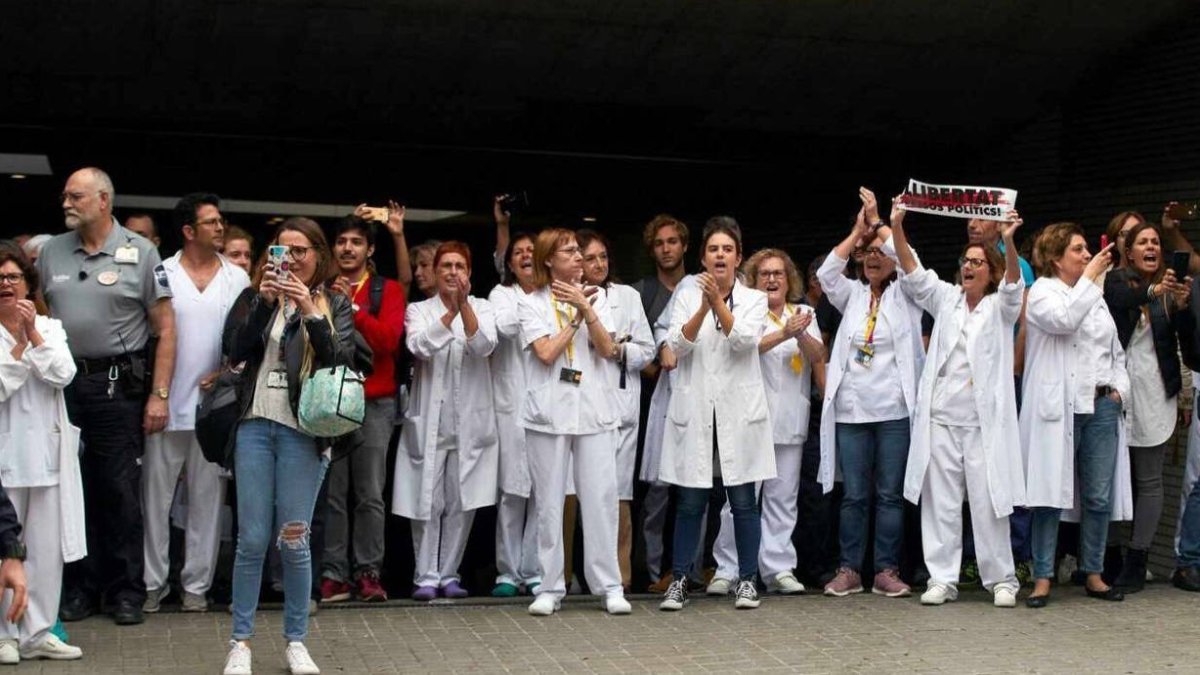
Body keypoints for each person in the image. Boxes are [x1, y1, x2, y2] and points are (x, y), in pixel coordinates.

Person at [39, 167, 176, 626]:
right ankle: (80, 588)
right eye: (64, 196)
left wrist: (159, 395)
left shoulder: (141, 253)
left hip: (117, 386)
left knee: (118, 490)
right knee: (69, 490)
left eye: (75, 196)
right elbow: (40, 313)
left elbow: (165, 329)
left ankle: (125, 591)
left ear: (103, 201)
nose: (66, 203)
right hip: (61, 385)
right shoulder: (51, 251)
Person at [221, 217, 358, 675]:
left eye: (301, 251)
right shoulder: (252, 296)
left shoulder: (334, 301)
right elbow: (235, 350)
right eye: (283, 251)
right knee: (252, 539)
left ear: (318, 255)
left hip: (303, 431)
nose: (291, 259)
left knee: (295, 540)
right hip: (255, 426)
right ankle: (240, 642)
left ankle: (296, 640)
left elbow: (342, 360)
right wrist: (263, 303)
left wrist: (312, 313)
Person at [891, 204, 1026, 608]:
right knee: (941, 504)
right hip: (943, 421)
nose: (969, 266)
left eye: (978, 262)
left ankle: (1002, 578)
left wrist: (1007, 240)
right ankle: (942, 578)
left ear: (991, 271)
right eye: (965, 261)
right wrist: (896, 226)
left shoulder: (1000, 307)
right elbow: (912, 270)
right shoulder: (945, 299)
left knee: (988, 503)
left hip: (983, 426)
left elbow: (1015, 285)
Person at [657, 216, 775, 611]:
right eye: (713, 249)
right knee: (690, 501)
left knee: (743, 501)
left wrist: (719, 304)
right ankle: (680, 578)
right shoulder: (687, 293)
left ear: (738, 257)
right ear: (704, 258)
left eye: (727, 249)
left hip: (739, 413)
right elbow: (677, 344)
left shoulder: (756, 299)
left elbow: (743, 341)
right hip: (696, 409)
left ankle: (746, 579)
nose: (720, 255)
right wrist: (703, 306)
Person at [143, 193, 249, 614]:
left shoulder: (237, 278)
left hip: (214, 409)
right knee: (155, 499)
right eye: (211, 222)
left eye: (221, 220)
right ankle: (152, 585)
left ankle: (196, 589)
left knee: (208, 501)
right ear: (189, 232)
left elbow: (246, 344)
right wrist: (155, 394)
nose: (220, 227)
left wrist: (226, 374)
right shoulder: (160, 272)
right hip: (165, 405)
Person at [817, 188, 924, 599]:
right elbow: (827, 274)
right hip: (853, 411)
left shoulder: (908, 294)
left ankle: (885, 569)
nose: (873, 258)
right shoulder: (852, 295)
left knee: (889, 495)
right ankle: (849, 569)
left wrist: (880, 226)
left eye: (880, 253)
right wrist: (857, 232)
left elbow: (908, 260)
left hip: (895, 411)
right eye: (866, 255)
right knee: (855, 496)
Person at [517, 228, 628, 616]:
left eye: (579, 251)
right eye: (568, 252)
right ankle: (550, 586)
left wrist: (587, 307)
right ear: (549, 260)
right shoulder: (531, 303)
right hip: (548, 413)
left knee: (600, 498)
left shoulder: (599, 297)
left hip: (594, 410)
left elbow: (609, 348)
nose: (578, 258)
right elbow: (546, 352)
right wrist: (576, 319)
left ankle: (609, 585)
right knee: (548, 501)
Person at [1020, 222, 1130, 607]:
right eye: (1078, 250)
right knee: (1049, 495)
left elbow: (1113, 349)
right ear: (1055, 258)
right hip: (1061, 407)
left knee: (1098, 495)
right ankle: (1043, 576)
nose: (1086, 256)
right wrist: (1089, 278)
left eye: (1087, 250)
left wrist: (1119, 391)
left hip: (1100, 405)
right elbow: (1063, 320)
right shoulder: (1042, 293)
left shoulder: (1093, 295)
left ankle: (1094, 573)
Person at [710, 248, 825, 596]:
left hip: (790, 420)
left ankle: (777, 567)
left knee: (782, 498)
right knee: (740, 500)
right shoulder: (744, 310)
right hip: (750, 420)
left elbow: (819, 355)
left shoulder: (804, 312)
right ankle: (727, 569)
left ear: (789, 279)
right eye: (765, 274)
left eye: (778, 273)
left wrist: (800, 333)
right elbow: (742, 347)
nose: (772, 279)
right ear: (752, 280)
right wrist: (785, 333)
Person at [392, 242, 498, 601]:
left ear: (469, 273)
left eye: (460, 266)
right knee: (426, 501)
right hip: (429, 423)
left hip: (469, 424)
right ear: (435, 273)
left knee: (461, 500)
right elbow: (419, 346)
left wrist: (463, 306)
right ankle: (425, 576)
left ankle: (450, 573)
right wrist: (449, 313)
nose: (453, 272)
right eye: (446, 266)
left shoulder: (483, 307)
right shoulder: (419, 310)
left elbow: (484, 345)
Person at [0, 247, 84, 661]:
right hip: (6, 455)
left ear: (29, 285)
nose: (6, 285)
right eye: (0, 278)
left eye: (14, 277)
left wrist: (32, 335)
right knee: (7, 548)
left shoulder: (50, 327)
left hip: (49, 456)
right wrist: (18, 345)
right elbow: (2, 383)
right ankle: (4, 635)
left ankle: (37, 631)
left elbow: (63, 374)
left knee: (46, 551)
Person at [320, 215, 405, 604]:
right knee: (334, 492)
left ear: (370, 250)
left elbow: (388, 342)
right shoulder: (318, 288)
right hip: (330, 398)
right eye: (342, 241)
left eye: (357, 242)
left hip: (375, 400)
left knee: (370, 493)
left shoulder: (385, 290)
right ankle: (334, 574)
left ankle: (369, 572)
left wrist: (351, 308)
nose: (348, 248)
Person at [1103, 221, 1192, 592]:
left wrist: (1184, 308)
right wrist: (1155, 291)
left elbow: (1185, 345)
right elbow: (1122, 301)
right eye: (1143, 242)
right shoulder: (1117, 281)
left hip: (1156, 392)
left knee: (1149, 480)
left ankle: (1138, 560)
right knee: (1108, 478)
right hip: (1118, 391)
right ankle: (1106, 557)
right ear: (1130, 251)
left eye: (1156, 241)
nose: (1152, 247)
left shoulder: (1171, 292)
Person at [578, 229, 655, 591]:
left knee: (620, 492)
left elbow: (647, 350)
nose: (598, 265)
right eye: (590, 258)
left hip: (622, 402)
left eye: (603, 257)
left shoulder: (627, 296)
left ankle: (620, 576)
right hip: (582, 402)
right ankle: (579, 573)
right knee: (583, 492)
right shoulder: (568, 296)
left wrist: (620, 349)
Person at [632, 214, 690, 592]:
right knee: (655, 493)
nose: (667, 249)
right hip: (653, 402)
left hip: (693, 403)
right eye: (659, 243)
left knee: (693, 489)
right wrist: (660, 369)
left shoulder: (699, 287)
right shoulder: (641, 293)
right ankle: (651, 574)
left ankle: (689, 570)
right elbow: (634, 346)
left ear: (685, 246)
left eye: (673, 241)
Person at [488, 232, 541, 597]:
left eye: (531, 252)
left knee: (542, 490)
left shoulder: (555, 293)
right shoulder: (500, 295)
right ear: (509, 264)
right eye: (518, 253)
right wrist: (534, 313)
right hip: (509, 406)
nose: (524, 257)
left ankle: (533, 569)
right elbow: (504, 326)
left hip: (546, 404)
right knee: (511, 491)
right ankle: (507, 572)